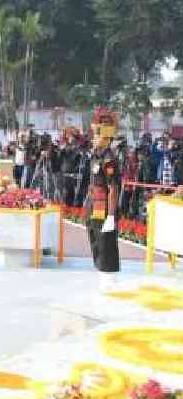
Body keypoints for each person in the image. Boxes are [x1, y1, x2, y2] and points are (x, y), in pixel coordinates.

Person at [84, 108, 121, 292]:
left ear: (106, 138)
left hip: (106, 209)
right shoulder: (95, 156)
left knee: (107, 246)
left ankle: (109, 282)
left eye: (96, 134)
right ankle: (102, 278)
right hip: (94, 207)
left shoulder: (109, 160)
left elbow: (113, 189)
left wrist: (111, 216)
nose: (93, 138)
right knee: (97, 243)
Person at [60, 134, 81, 207]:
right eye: (71, 140)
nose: (72, 142)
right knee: (66, 193)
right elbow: (60, 154)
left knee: (73, 194)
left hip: (74, 176)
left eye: (74, 141)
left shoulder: (78, 151)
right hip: (66, 176)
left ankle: (72, 208)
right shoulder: (65, 149)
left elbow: (79, 162)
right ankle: (66, 207)